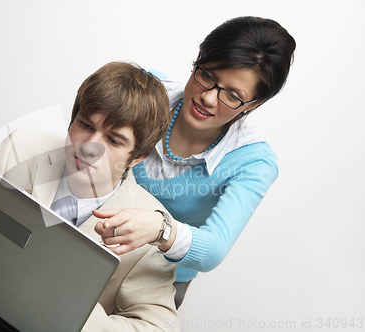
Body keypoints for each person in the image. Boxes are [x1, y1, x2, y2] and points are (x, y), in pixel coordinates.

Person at [0, 62, 181, 331]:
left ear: (138, 157)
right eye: (86, 126)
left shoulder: (147, 226)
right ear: (72, 121)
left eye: (114, 140)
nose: (89, 147)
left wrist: (75, 312)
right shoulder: (22, 146)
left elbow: (159, 326)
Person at [93, 16, 297, 308]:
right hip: (91, 238)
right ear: (198, 59)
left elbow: (214, 248)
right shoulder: (151, 93)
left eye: (232, 95)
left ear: (254, 104)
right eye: (207, 76)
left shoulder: (254, 162)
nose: (209, 98)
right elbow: (87, 145)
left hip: (157, 279)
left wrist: (160, 228)